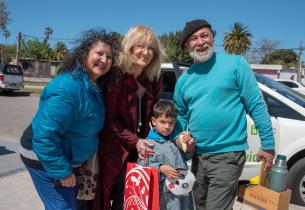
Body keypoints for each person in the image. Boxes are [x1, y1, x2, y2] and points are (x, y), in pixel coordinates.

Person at [173, 19, 276, 210]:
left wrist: (268, 144)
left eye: (205, 35)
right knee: (197, 206)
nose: (200, 42)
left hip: (227, 156)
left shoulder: (235, 64)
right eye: (194, 38)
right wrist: (180, 140)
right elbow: (179, 118)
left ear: (213, 37)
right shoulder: (184, 80)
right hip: (198, 157)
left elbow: (256, 105)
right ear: (187, 45)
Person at [19, 28, 116, 210]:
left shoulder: (94, 85)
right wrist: (62, 172)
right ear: (85, 54)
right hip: (42, 157)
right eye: (99, 53)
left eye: (109, 57)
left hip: (69, 159)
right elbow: (45, 137)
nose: (104, 60)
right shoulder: (67, 87)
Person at [93, 25, 163, 210]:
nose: (146, 52)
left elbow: (154, 115)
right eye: (141, 46)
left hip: (139, 150)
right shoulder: (116, 76)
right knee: (120, 197)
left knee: (136, 198)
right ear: (130, 46)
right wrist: (135, 141)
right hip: (115, 150)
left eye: (151, 48)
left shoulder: (153, 78)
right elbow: (109, 118)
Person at [137, 99, 195, 210]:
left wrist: (190, 146)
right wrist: (161, 168)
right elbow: (142, 166)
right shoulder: (148, 144)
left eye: (171, 122)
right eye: (163, 122)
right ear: (154, 121)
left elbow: (185, 157)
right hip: (165, 197)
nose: (167, 126)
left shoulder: (173, 140)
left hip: (182, 192)